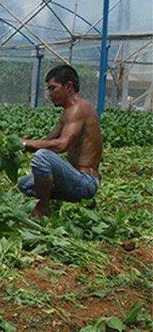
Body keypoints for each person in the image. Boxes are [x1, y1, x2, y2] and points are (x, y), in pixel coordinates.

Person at [18, 65, 103, 218]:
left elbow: (61, 145)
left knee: (42, 157)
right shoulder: (67, 113)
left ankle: (43, 208)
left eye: (53, 88)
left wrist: (25, 143)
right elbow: (48, 141)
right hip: (74, 177)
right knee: (25, 185)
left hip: (86, 180)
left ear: (68, 86)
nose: (50, 94)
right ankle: (79, 200)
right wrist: (11, 143)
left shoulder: (80, 108)